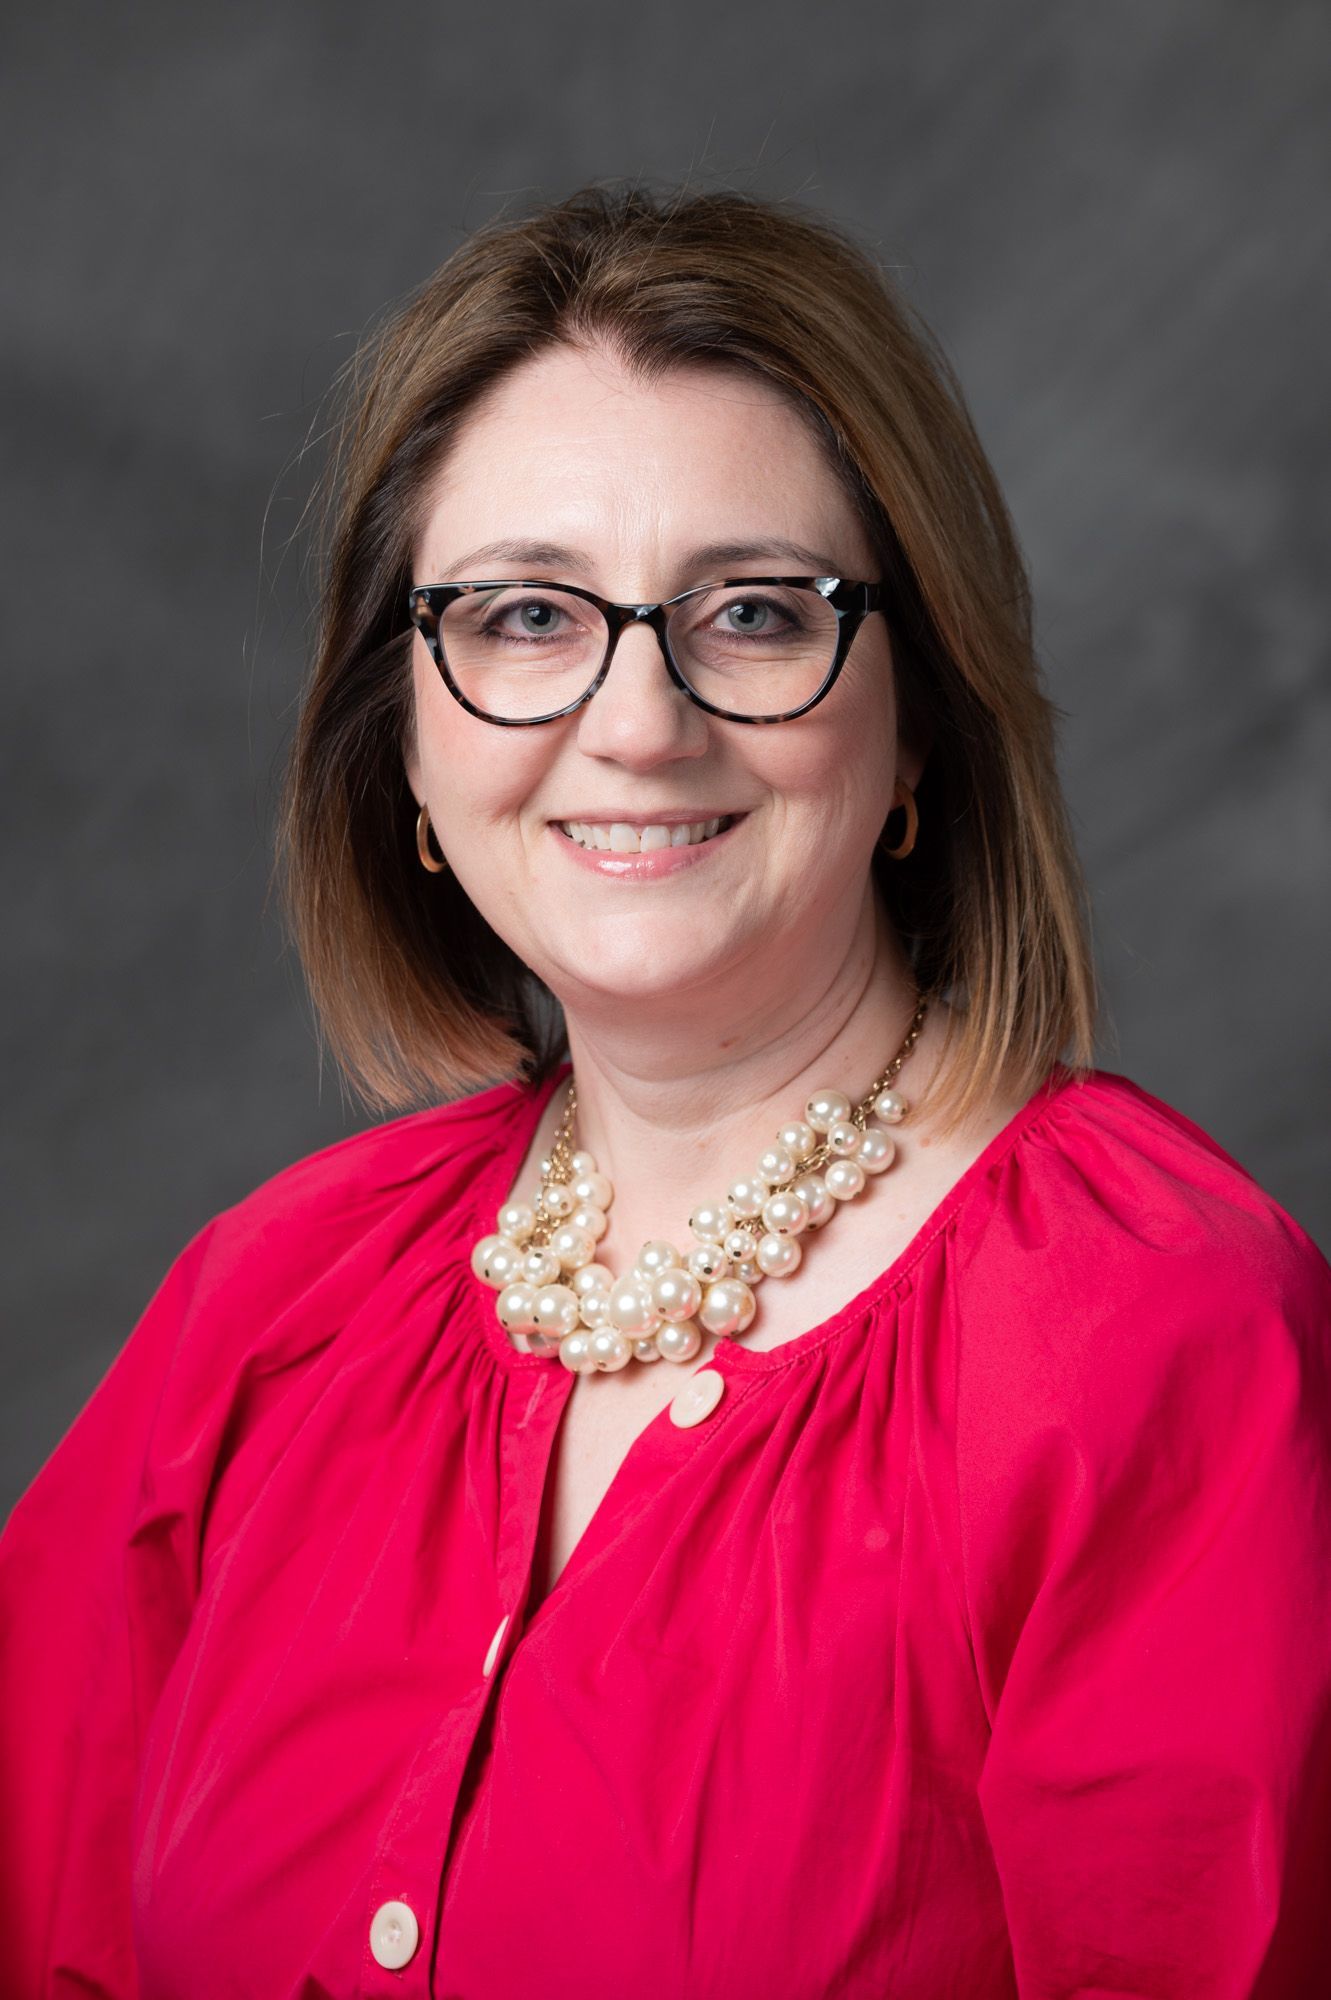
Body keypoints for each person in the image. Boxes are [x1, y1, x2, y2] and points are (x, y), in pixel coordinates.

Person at [1, 183, 1328, 2000]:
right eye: (526, 616)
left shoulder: (1153, 1344)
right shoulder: (269, 1307)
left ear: (916, 720)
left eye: (756, 613)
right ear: (407, 734)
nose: (637, 723)